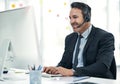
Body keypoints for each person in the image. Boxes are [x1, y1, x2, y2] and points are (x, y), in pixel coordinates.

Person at [43, 2, 116, 79]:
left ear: (87, 18)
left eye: (75, 17)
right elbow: (64, 63)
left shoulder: (105, 37)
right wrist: (55, 69)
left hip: (97, 80)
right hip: (75, 80)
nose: (71, 22)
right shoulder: (70, 38)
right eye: (70, 18)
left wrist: (73, 72)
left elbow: (102, 66)